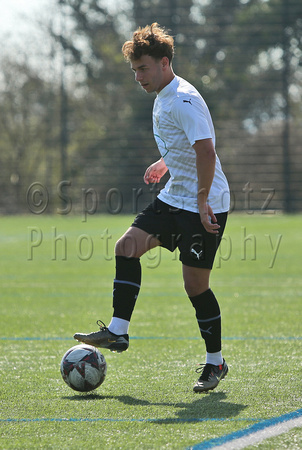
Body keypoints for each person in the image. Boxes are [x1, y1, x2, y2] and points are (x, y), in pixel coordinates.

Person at [74, 23, 230, 393]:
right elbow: (187, 143)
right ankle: (118, 331)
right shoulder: (164, 95)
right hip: (176, 195)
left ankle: (215, 362)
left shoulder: (183, 98)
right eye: (134, 71)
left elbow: (207, 150)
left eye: (143, 69)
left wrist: (203, 198)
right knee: (126, 247)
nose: (138, 78)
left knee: (195, 287)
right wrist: (165, 162)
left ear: (164, 63)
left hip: (204, 203)